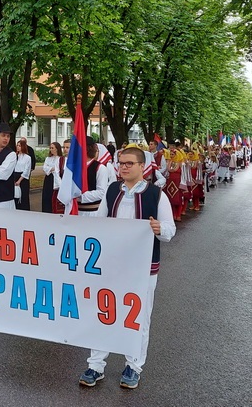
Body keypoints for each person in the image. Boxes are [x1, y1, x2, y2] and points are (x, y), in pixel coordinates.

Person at [79, 146, 175, 391]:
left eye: (129, 163)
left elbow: (169, 230)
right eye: (121, 163)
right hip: (112, 264)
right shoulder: (112, 191)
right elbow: (99, 222)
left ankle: (133, 366)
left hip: (142, 267)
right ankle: (96, 365)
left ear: (142, 166)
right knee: (104, 312)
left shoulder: (156, 195)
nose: (124, 167)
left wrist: (159, 228)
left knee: (138, 317)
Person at [42, 142, 64, 213]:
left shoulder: (61, 159)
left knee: (54, 195)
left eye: (52, 148)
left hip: (56, 178)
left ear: (57, 149)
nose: (51, 149)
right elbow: (44, 168)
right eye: (50, 148)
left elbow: (59, 169)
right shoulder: (48, 158)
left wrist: (50, 168)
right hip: (48, 178)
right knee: (47, 195)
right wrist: (52, 168)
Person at [14, 138, 33, 211]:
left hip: (23, 178)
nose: (18, 147)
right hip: (14, 176)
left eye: (19, 146)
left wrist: (19, 181)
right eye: (17, 145)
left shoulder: (27, 158)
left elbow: (26, 170)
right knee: (15, 196)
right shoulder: (14, 156)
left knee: (23, 196)